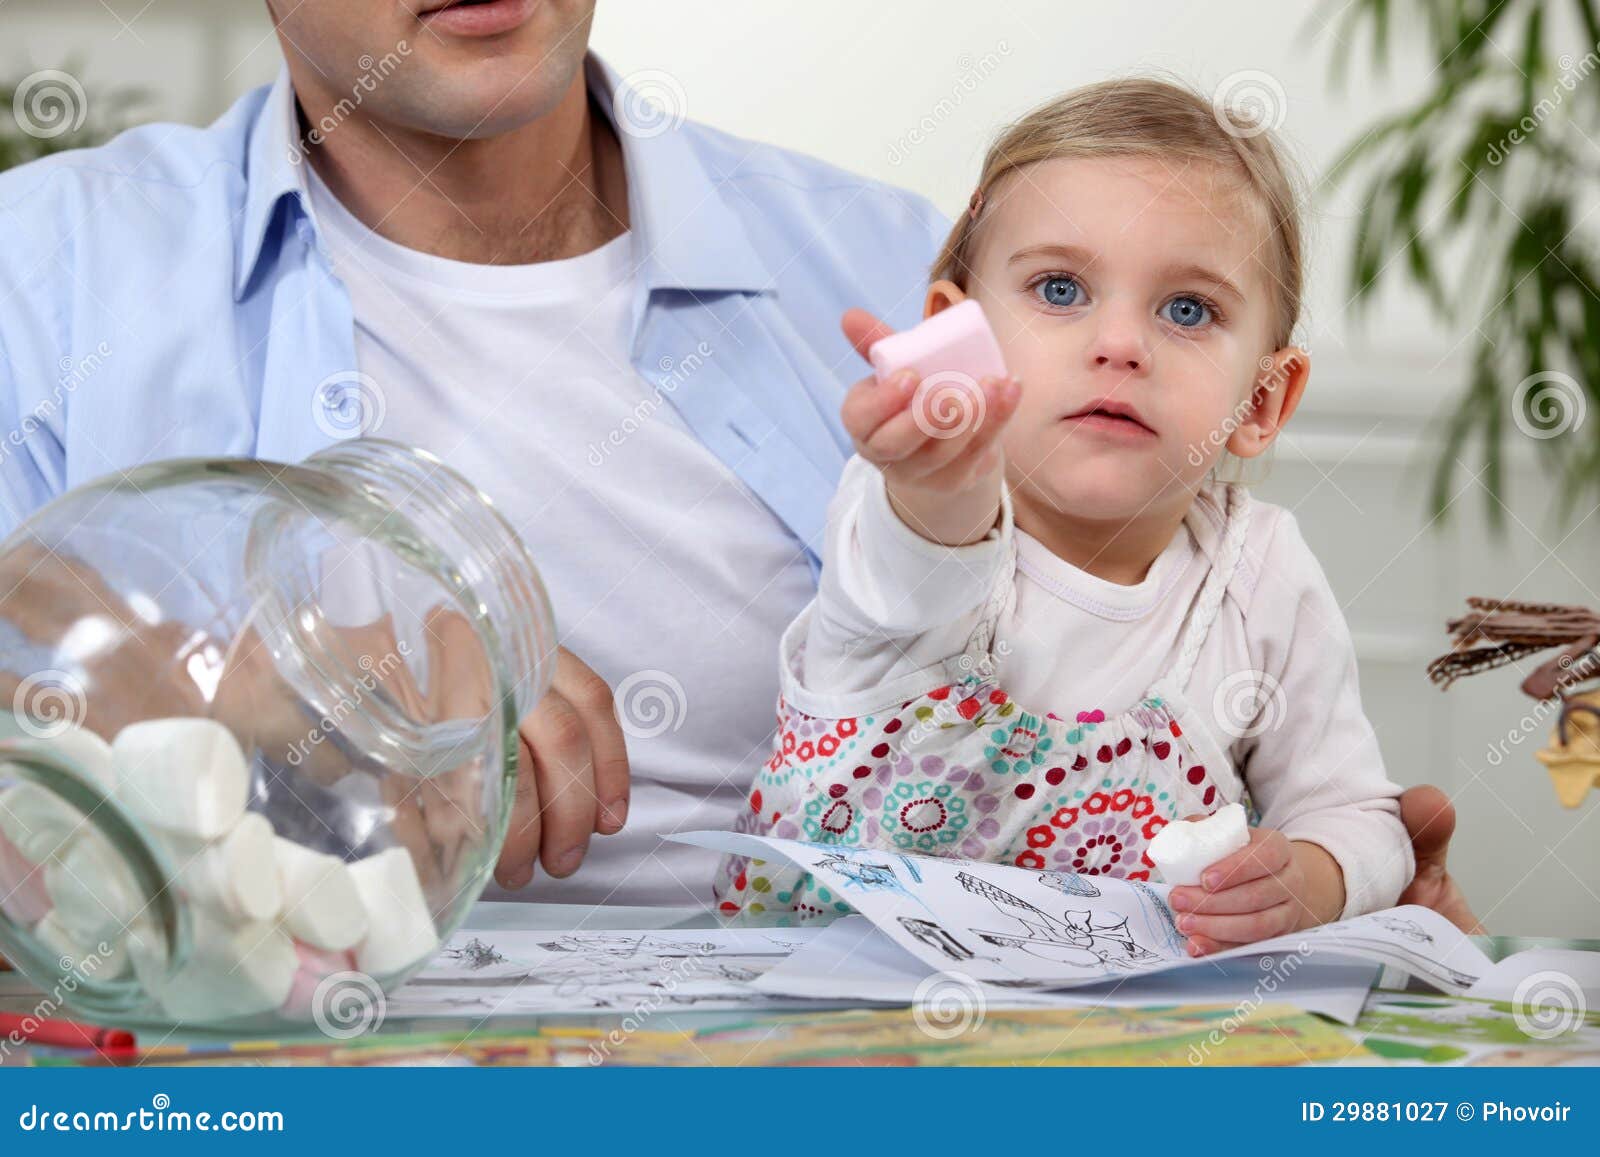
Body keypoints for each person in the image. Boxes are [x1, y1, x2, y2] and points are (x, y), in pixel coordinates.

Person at [0, 4, 1479, 928]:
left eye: (1178, 312)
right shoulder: (51, 274)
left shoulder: (923, 279)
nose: (1116, 335)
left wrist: (1335, 892)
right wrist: (228, 700)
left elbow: (1139, 636)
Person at [718, 79, 1417, 952]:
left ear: (1263, 398)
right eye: (1059, 289)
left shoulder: (1259, 576)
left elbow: (1361, 814)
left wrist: (1312, 876)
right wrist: (941, 462)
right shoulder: (911, 512)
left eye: (1187, 309)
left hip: (1114, 1038)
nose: (1120, 343)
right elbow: (934, 545)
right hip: (822, 1026)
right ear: (956, 335)